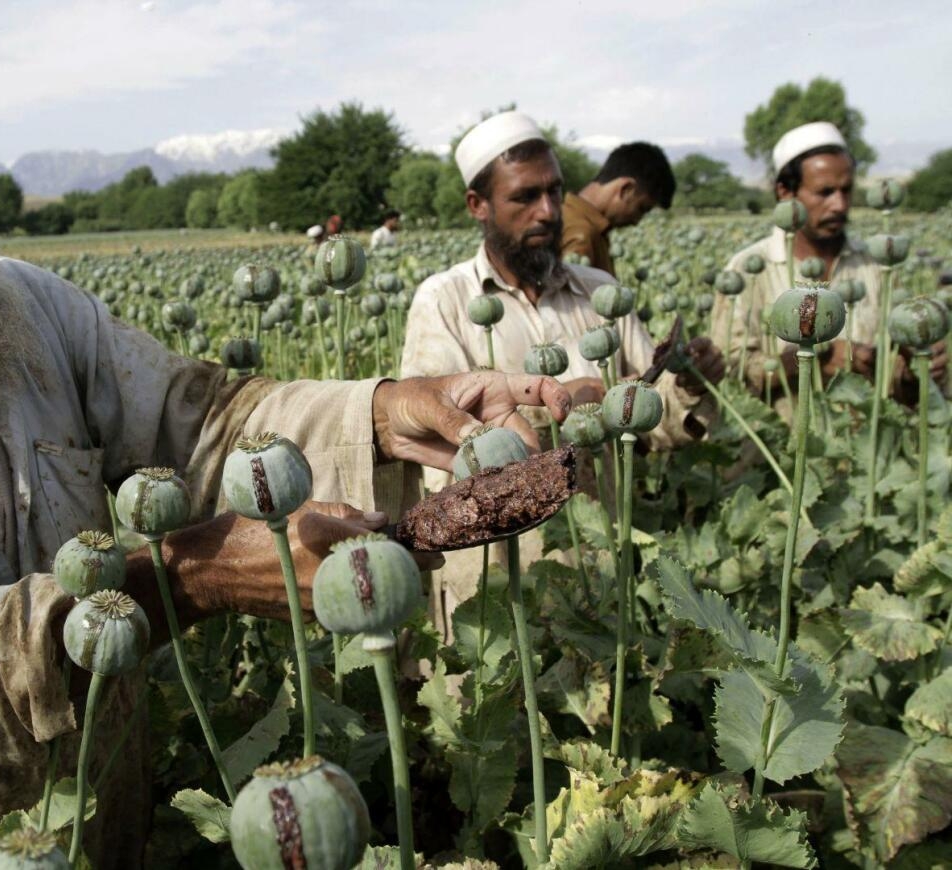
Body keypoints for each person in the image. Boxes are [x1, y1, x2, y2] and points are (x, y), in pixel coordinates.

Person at [0, 27, 572, 868]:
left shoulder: (27, 303)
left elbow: (205, 421)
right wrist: (189, 578)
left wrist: (384, 410)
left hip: (100, 798)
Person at [400, 110, 723, 639]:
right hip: (497, 589)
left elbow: (651, 423)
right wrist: (556, 404)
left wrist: (687, 385)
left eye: (555, 191)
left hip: (597, 570)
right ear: (478, 206)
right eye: (525, 197)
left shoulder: (600, 292)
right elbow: (436, 446)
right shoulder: (444, 301)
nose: (548, 212)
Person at [710, 121, 946, 398]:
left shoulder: (876, 265)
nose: (840, 205)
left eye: (846, 190)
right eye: (825, 192)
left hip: (866, 434)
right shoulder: (747, 269)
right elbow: (730, 370)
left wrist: (912, 372)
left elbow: (894, 370)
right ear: (785, 192)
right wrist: (815, 356)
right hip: (780, 438)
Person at [561, 141, 676, 276]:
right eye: (642, 209)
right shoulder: (581, 236)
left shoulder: (570, 218)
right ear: (626, 189)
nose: (636, 222)